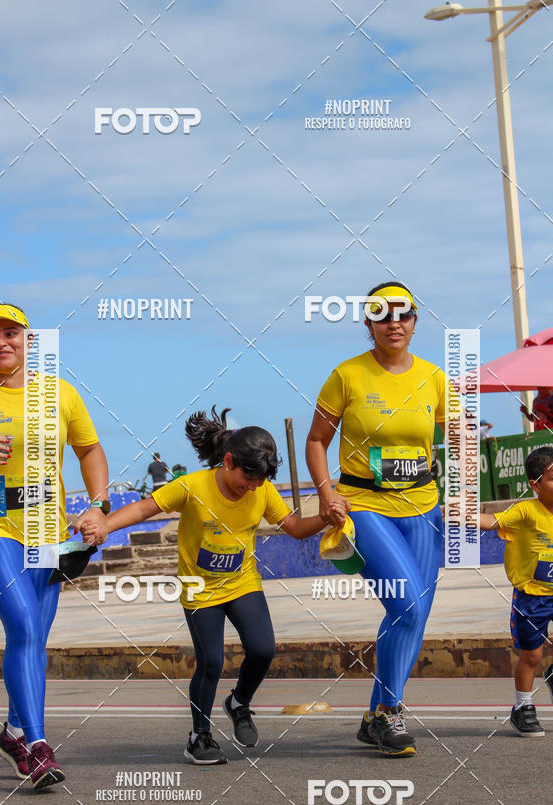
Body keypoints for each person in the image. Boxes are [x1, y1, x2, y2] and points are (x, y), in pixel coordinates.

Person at [82, 406, 341, 764]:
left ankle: (239, 703)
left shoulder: (262, 491)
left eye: (258, 482)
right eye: (245, 479)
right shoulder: (192, 487)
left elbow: (295, 528)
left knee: (263, 649)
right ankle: (199, 737)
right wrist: (105, 527)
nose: (250, 487)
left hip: (242, 583)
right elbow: (143, 510)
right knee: (211, 662)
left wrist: (325, 518)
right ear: (228, 461)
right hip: (199, 590)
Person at [0, 304, 110, 790]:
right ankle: (38, 746)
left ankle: (14, 732)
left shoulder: (59, 393)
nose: (2, 343)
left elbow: (89, 450)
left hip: (45, 523)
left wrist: (99, 504)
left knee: (35, 636)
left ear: (29, 341)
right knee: (21, 622)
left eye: (12, 334)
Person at [306, 282, 452, 757]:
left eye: (404, 314)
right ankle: (391, 714)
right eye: (382, 314)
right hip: (364, 506)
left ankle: (375, 718)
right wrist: (327, 495)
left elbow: (464, 434)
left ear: (415, 321)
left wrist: (465, 495)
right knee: (407, 607)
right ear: (368, 324)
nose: (394, 323)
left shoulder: (433, 377)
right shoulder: (347, 376)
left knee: (412, 617)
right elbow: (315, 442)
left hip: (424, 508)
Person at [480, 445, 553, 736]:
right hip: (531, 598)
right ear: (535, 485)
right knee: (531, 656)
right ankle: (523, 708)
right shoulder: (526, 511)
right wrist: (464, 515)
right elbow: (493, 522)